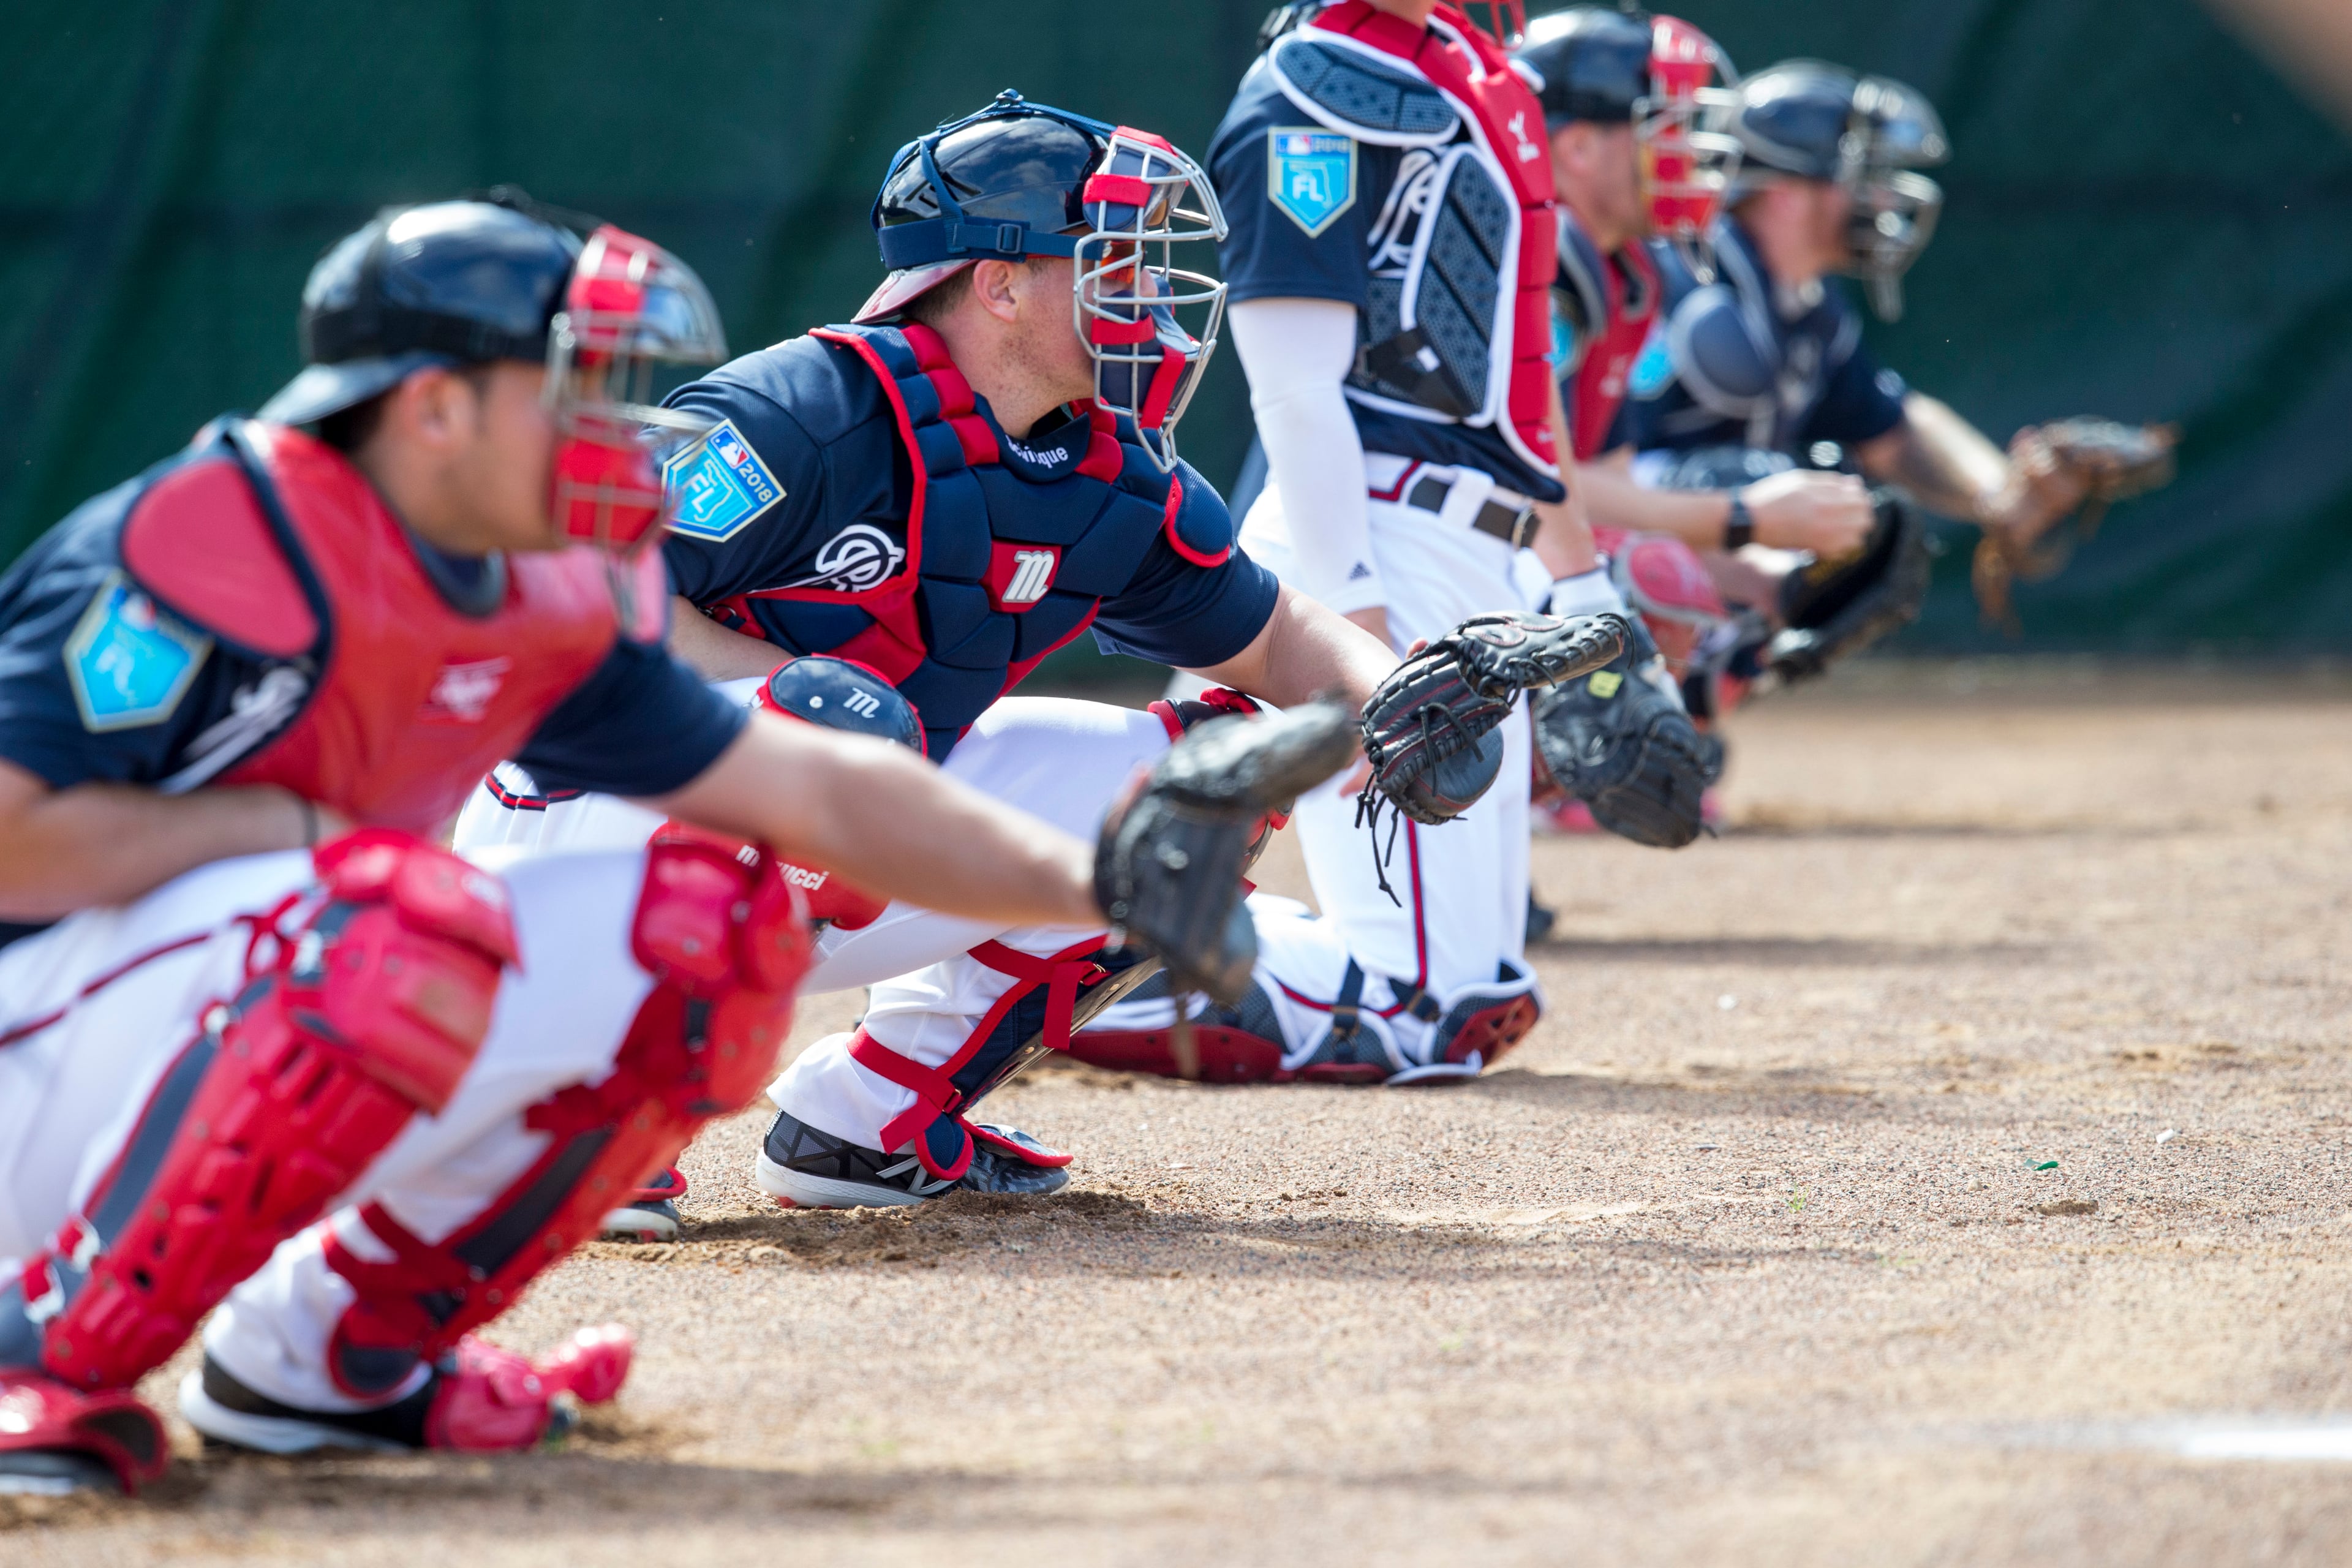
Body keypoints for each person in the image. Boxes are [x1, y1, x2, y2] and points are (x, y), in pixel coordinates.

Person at [0, 196, 1287, 1493]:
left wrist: (1100, 879)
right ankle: (34, 1356)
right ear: (433, 407)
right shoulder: (213, 538)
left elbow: (823, 793)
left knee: (699, 953)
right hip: (35, 1037)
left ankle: (326, 1361)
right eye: (566, 380)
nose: (602, 423)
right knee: (395, 918)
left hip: (209, 1006)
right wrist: (305, 841)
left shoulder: (532, 580)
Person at [458, 89, 1625, 1226]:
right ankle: (588, 1120)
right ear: (1000, 283)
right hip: (576, 844)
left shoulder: (1112, 471)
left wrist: (1396, 700)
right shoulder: (803, 409)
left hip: (830, 836)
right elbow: (585, 594)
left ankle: (872, 1120)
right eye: (1113, 257)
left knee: (1202, 783)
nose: (1155, 293)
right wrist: (791, 709)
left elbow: (1271, 634)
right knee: (837, 720)